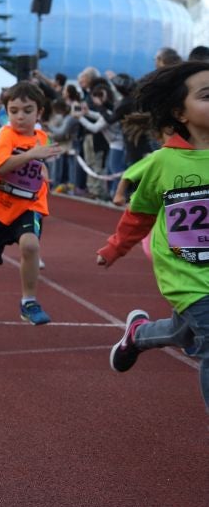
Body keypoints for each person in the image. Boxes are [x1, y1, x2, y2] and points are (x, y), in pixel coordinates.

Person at [97, 61, 209, 411]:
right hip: (187, 273)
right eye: (207, 96)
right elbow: (140, 212)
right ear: (180, 112)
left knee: (184, 332)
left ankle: (137, 335)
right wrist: (115, 247)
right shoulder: (163, 162)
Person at [0, 82, 63, 325]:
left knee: (30, 246)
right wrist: (30, 156)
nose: (20, 116)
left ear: (39, 113)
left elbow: (35, 161)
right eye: (13, 110)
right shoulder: (6, 135)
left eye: (27, 110)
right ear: (6, 112)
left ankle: (29, 302)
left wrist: (42, 169)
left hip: (29, 206)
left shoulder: (41, 137)